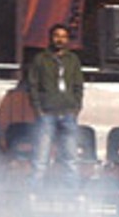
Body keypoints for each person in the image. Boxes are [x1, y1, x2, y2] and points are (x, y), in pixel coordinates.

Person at [27, 23, 84, 181]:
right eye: (56, 36)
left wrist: (76, 106)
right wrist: (38, 109)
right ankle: (35, 190)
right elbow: (32, 86)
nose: (60, 40)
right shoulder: (40, 59)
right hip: (47, 113)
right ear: (51, 38)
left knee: (71, 157)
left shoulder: (73, 59)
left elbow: (78, 85)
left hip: (68, 113)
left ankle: (71, 192)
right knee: (41, 157)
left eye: (63, 37)